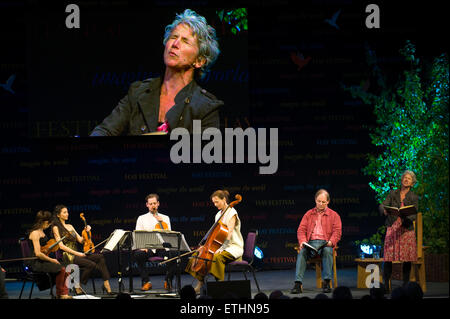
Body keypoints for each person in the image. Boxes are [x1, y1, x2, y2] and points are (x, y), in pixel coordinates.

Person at [90, 9, 223, 136]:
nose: (175, 43)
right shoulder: (137, 93)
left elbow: (203, 155)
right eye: (173, 37)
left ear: (199, 61)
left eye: (185, 41)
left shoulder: (206, 107)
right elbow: (104, 131)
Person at [186, 190, 244, 295]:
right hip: (221, 246)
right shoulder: (218, 215)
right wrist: (205, 246)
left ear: (224, 199)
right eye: (214, 202)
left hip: (233, 247)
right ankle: (200, 283)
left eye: (217, 202)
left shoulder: (232, 213)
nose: (215, 204)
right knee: (198, 255)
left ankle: (220, 286)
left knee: (217, 257)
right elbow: (215, 235)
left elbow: (229, 232)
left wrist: (222, 248)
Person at [52, 205, 113, 295]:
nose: (67, 214)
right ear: (58, 215)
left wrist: (86, 232)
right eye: (64, 212)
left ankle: (107, 285)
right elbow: (61, 246)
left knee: (100, 257)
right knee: (91, 265)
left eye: (67, 212)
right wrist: (78, 253)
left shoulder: (70, 226)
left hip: (77, 254)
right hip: (67, 256)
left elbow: (81, 240)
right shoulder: (56, 228)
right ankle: (77, 286)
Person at [291, 189, 342, 294]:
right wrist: (302, 242)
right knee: (302, 252)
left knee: (328, 251)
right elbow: (301, 230)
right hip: (311, 243)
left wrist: (331, 242)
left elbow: (337, 232)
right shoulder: (309, 214)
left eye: (323, 202)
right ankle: (297, 284)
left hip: (325, 243)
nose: (321, 204)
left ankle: (327, 282)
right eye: (319, 201)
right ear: (315, 200)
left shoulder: (334, 215)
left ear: (328, 202)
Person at [379, 170, 419, 293]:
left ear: (412, 183)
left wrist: (405, 215)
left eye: (409, 178)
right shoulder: (393, 193)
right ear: (401, 180)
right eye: (404, 177)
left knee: (406, 258)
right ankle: (386, 285)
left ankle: (406, 284)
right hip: (393, 227)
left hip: (406, 229)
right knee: (388, 257)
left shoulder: (414, 197)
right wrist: (384, 210)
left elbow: (414, 215)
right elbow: (382, 205)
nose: (406, 179)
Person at [26, 210, 72, 299]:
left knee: (68, 267)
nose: (49, 225)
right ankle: (60, 294)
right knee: (61, 269)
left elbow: (45, 250)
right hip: (36, 263)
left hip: (44, 260)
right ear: (44, 222)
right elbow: (38, 253)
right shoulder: (35, 233)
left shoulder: (42, 232)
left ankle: (64, 293)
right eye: (48, 223)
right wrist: (52, 260)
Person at [134, 193, 175, 291]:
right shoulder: (141, 218)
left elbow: (168, 236)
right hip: (148, 248)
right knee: (138, 255)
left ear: (158, 204)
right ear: (147, 205)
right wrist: (142, 246)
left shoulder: (165, 218)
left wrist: (161, 223)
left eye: (154, 203)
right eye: (150, 203)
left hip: (161, 247)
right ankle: (146, 281)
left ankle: (168, 281)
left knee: (174, 255)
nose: (153, 205)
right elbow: (138, 235)